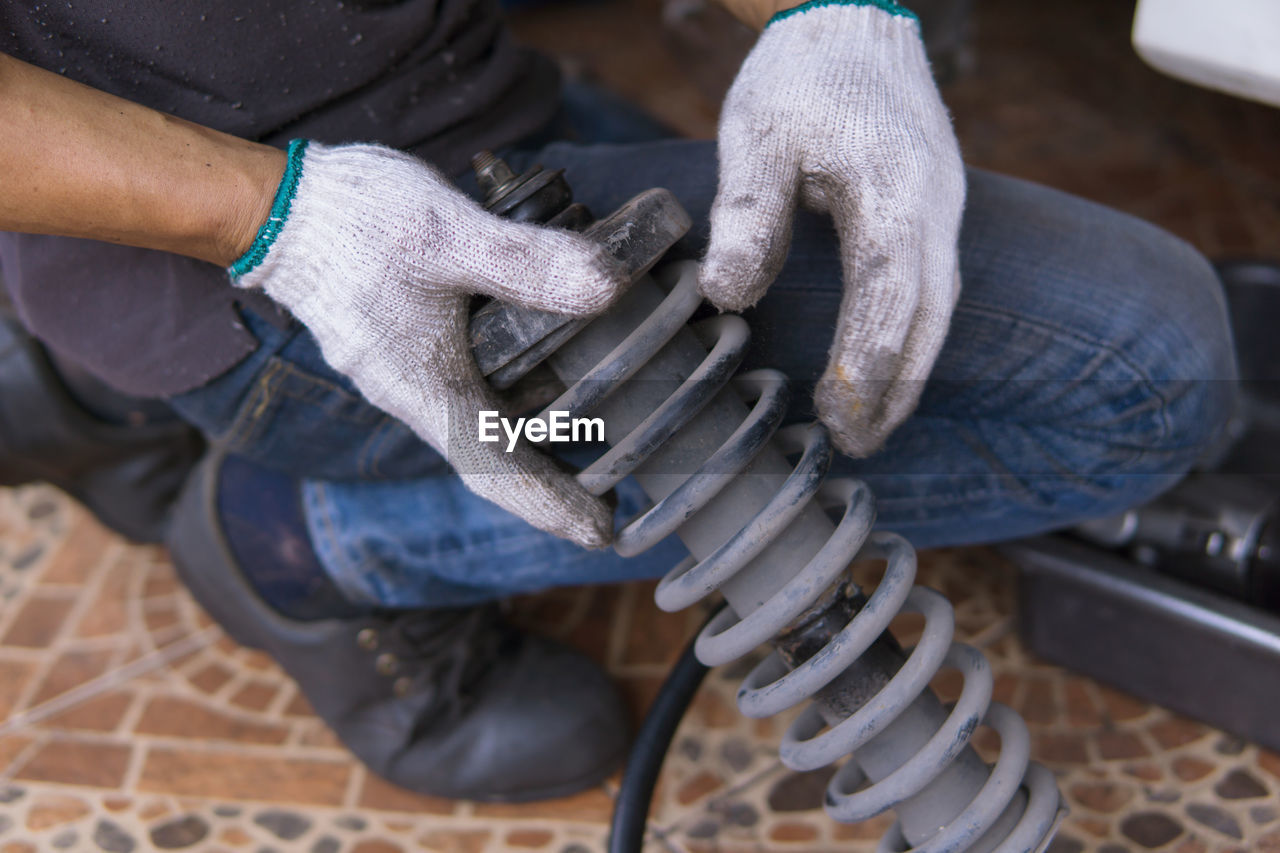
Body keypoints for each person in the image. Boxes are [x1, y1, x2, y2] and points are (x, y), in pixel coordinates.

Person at [0, 0, 1236, 803]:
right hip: (289, 267)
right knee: (1139, 377)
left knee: (718, 350)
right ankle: (303, 536)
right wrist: (270, 221)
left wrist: (828, 13)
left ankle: (97, 400)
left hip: (477, 100)